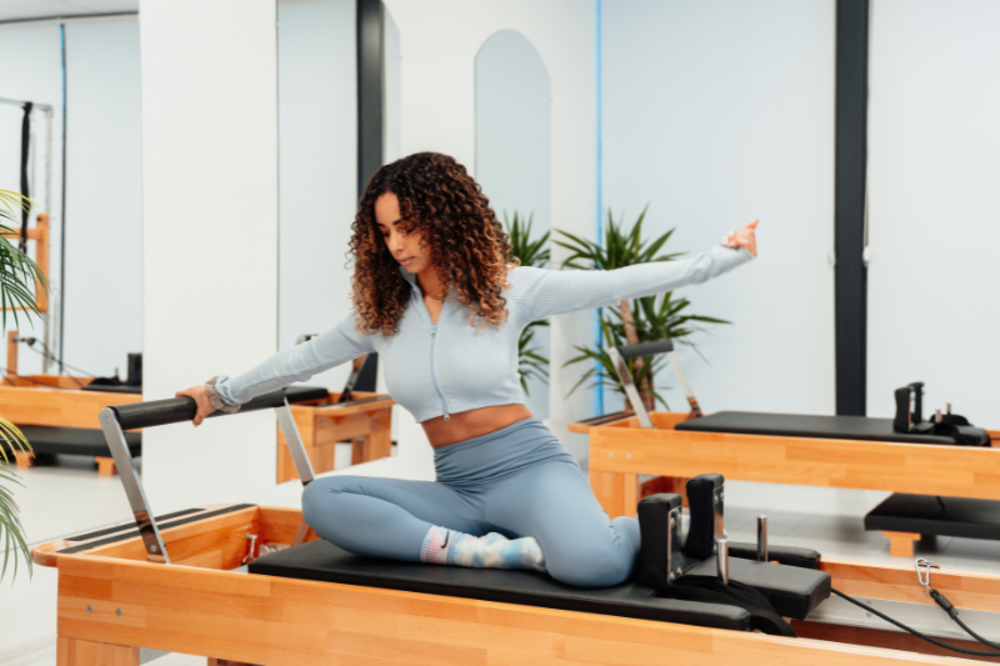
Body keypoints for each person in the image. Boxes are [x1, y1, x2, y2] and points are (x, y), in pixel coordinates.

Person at [177, 152, 757, 587]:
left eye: (407, 226)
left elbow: (620, 281)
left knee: (594, 566)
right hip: (457, 486)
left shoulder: (509, 289)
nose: (396, 243)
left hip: (528, 467)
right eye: (384, 232)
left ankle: (659, 527)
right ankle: (487, 551)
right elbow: (299, 360)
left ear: (446, 218)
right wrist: (217, 393)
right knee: (324, 498)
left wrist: (722, 257)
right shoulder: (382, 314)